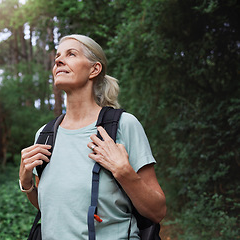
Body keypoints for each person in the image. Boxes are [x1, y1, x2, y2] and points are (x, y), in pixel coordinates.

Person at [19, 34, 166, 239]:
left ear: (94, 69)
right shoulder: (45, 135)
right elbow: (55, 209)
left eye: (71, 54)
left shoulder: (123, 125)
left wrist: (123, 172)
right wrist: (27, 185)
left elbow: (157, 211)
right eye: (57, 57)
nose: (59, 60)